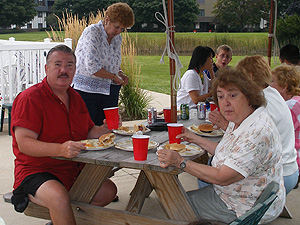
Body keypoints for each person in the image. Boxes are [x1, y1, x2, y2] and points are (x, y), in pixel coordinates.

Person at [158, 68, 285, 224]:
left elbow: (221, 177)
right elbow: (228, 152)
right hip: (238, 195)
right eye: (220, 96)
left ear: (249, 96)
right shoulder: (241, 119)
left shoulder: (256, 133)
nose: (225, 102)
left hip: (241, 207)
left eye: (233, 95)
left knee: (174, 204)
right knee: (175, 198)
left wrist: (180, 162)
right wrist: (196, 139)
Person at [11, 45, 118, 225]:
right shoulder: (30, 98)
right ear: (46, 68)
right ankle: (42, 203)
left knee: (108, 191)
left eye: (69, 65)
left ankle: (59, 219)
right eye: (57, 64)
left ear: (75, 69)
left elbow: (87, 131)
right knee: (59, 197)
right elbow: (24, 143)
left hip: (70, 170)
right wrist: (60, 149)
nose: (63, 70)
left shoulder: (75, 97)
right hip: (37, 170)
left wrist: (103, 130)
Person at [210, 55, 298, 194]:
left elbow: (252, 137)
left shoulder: (260, 103)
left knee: (213, 171)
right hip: (291, 168)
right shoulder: (272, 92)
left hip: (278, 176)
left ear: (249, 78)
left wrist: (225, 125)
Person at [72, 2, 135, 125]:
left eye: (122, 29)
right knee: (88, 130)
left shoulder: (117, 38)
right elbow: (92, 67)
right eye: (117, 27)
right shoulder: (92, 32)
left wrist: (120, 73)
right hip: (87, 91)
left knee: (109, 129)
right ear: (107, 20)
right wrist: (113, 76)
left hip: (109, 90)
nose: (119, 31)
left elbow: (114, 62)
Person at [271, 64, 300, 184]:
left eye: (272, 81)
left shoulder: (290, 106)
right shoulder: (297, 101)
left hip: (291, 162)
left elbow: (272, 132)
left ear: (284, 87)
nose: (269, 85)